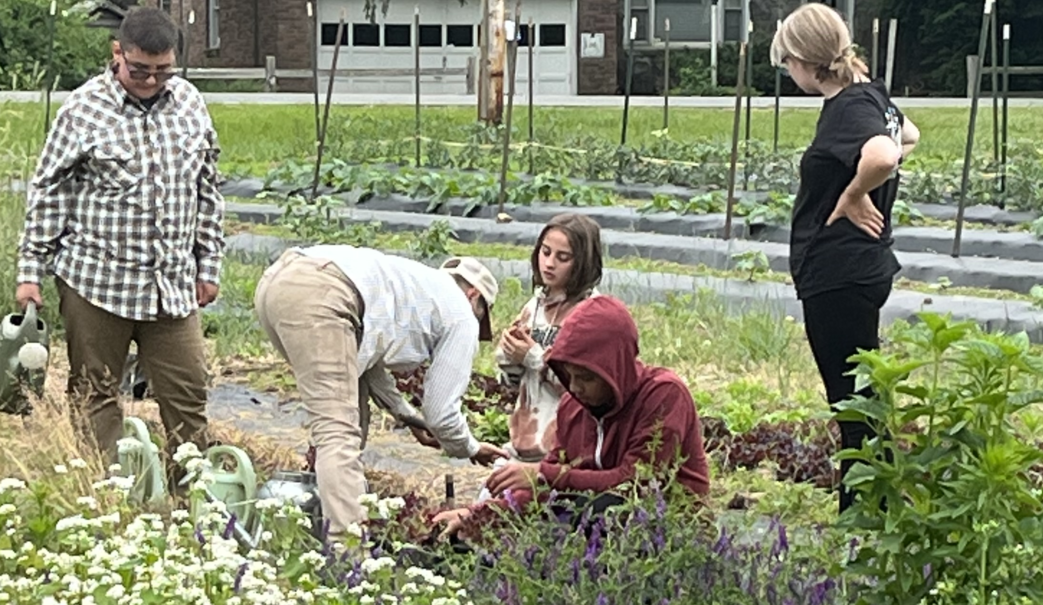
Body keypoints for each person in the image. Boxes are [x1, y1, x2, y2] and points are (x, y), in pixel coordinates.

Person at [13, 5, 223, 486]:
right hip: (96, 282)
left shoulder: (190, 104)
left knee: (188, 392)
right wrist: (30, 272)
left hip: (171, 285)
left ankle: (190, 500)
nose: (151, 80)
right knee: (96, 392)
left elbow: (207, 188)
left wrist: (207, 263)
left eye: (163, 70)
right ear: (117, 53)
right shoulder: (83, 109)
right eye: (140, 69)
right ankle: (106, 496)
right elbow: (49, 190)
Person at [251, 245, 512, 537]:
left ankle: (309, 526)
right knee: (338, 434)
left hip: (279, 281)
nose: (476, 324)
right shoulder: (462, 314)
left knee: (351, 417)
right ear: (473, 295)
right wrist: (470, 447)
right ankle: (347, 554)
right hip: (324, 293)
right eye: (481, 315)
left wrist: (406, 415)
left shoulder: (419, 285)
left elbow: (369, 361)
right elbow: (441, 412)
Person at [771, 2, 920, 513]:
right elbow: (909, 134)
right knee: (862, 395)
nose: (788, 72)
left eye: (788, 61)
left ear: (806, 61)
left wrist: (856, 193)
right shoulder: (868, 93)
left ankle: (863, 513)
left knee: (852, 401)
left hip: (839, 274)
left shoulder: (846, 107)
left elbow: (883, 152)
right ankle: (874, 502)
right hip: (861, 268)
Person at [430, 294, 711, 533]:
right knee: (556, 512)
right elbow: (550, 483)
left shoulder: (663, 396)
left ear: (615, 370)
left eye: (587, 378)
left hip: (671, 531)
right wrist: (477, 517)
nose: (575, 387)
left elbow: (636, 483)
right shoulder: (573, 407)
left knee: (593, 508)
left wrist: (543, 474)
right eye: (569, 375)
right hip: (605, 529)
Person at [495, 213, 605, 463]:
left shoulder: (592, 314)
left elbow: (588, 388)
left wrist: (535, 358)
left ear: (583, 263)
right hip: (524, 442)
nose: (549, 263)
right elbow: (514, 385)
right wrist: (510, 361)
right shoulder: (534, 306)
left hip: (564, 451)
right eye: (545, 252)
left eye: (562, 257)